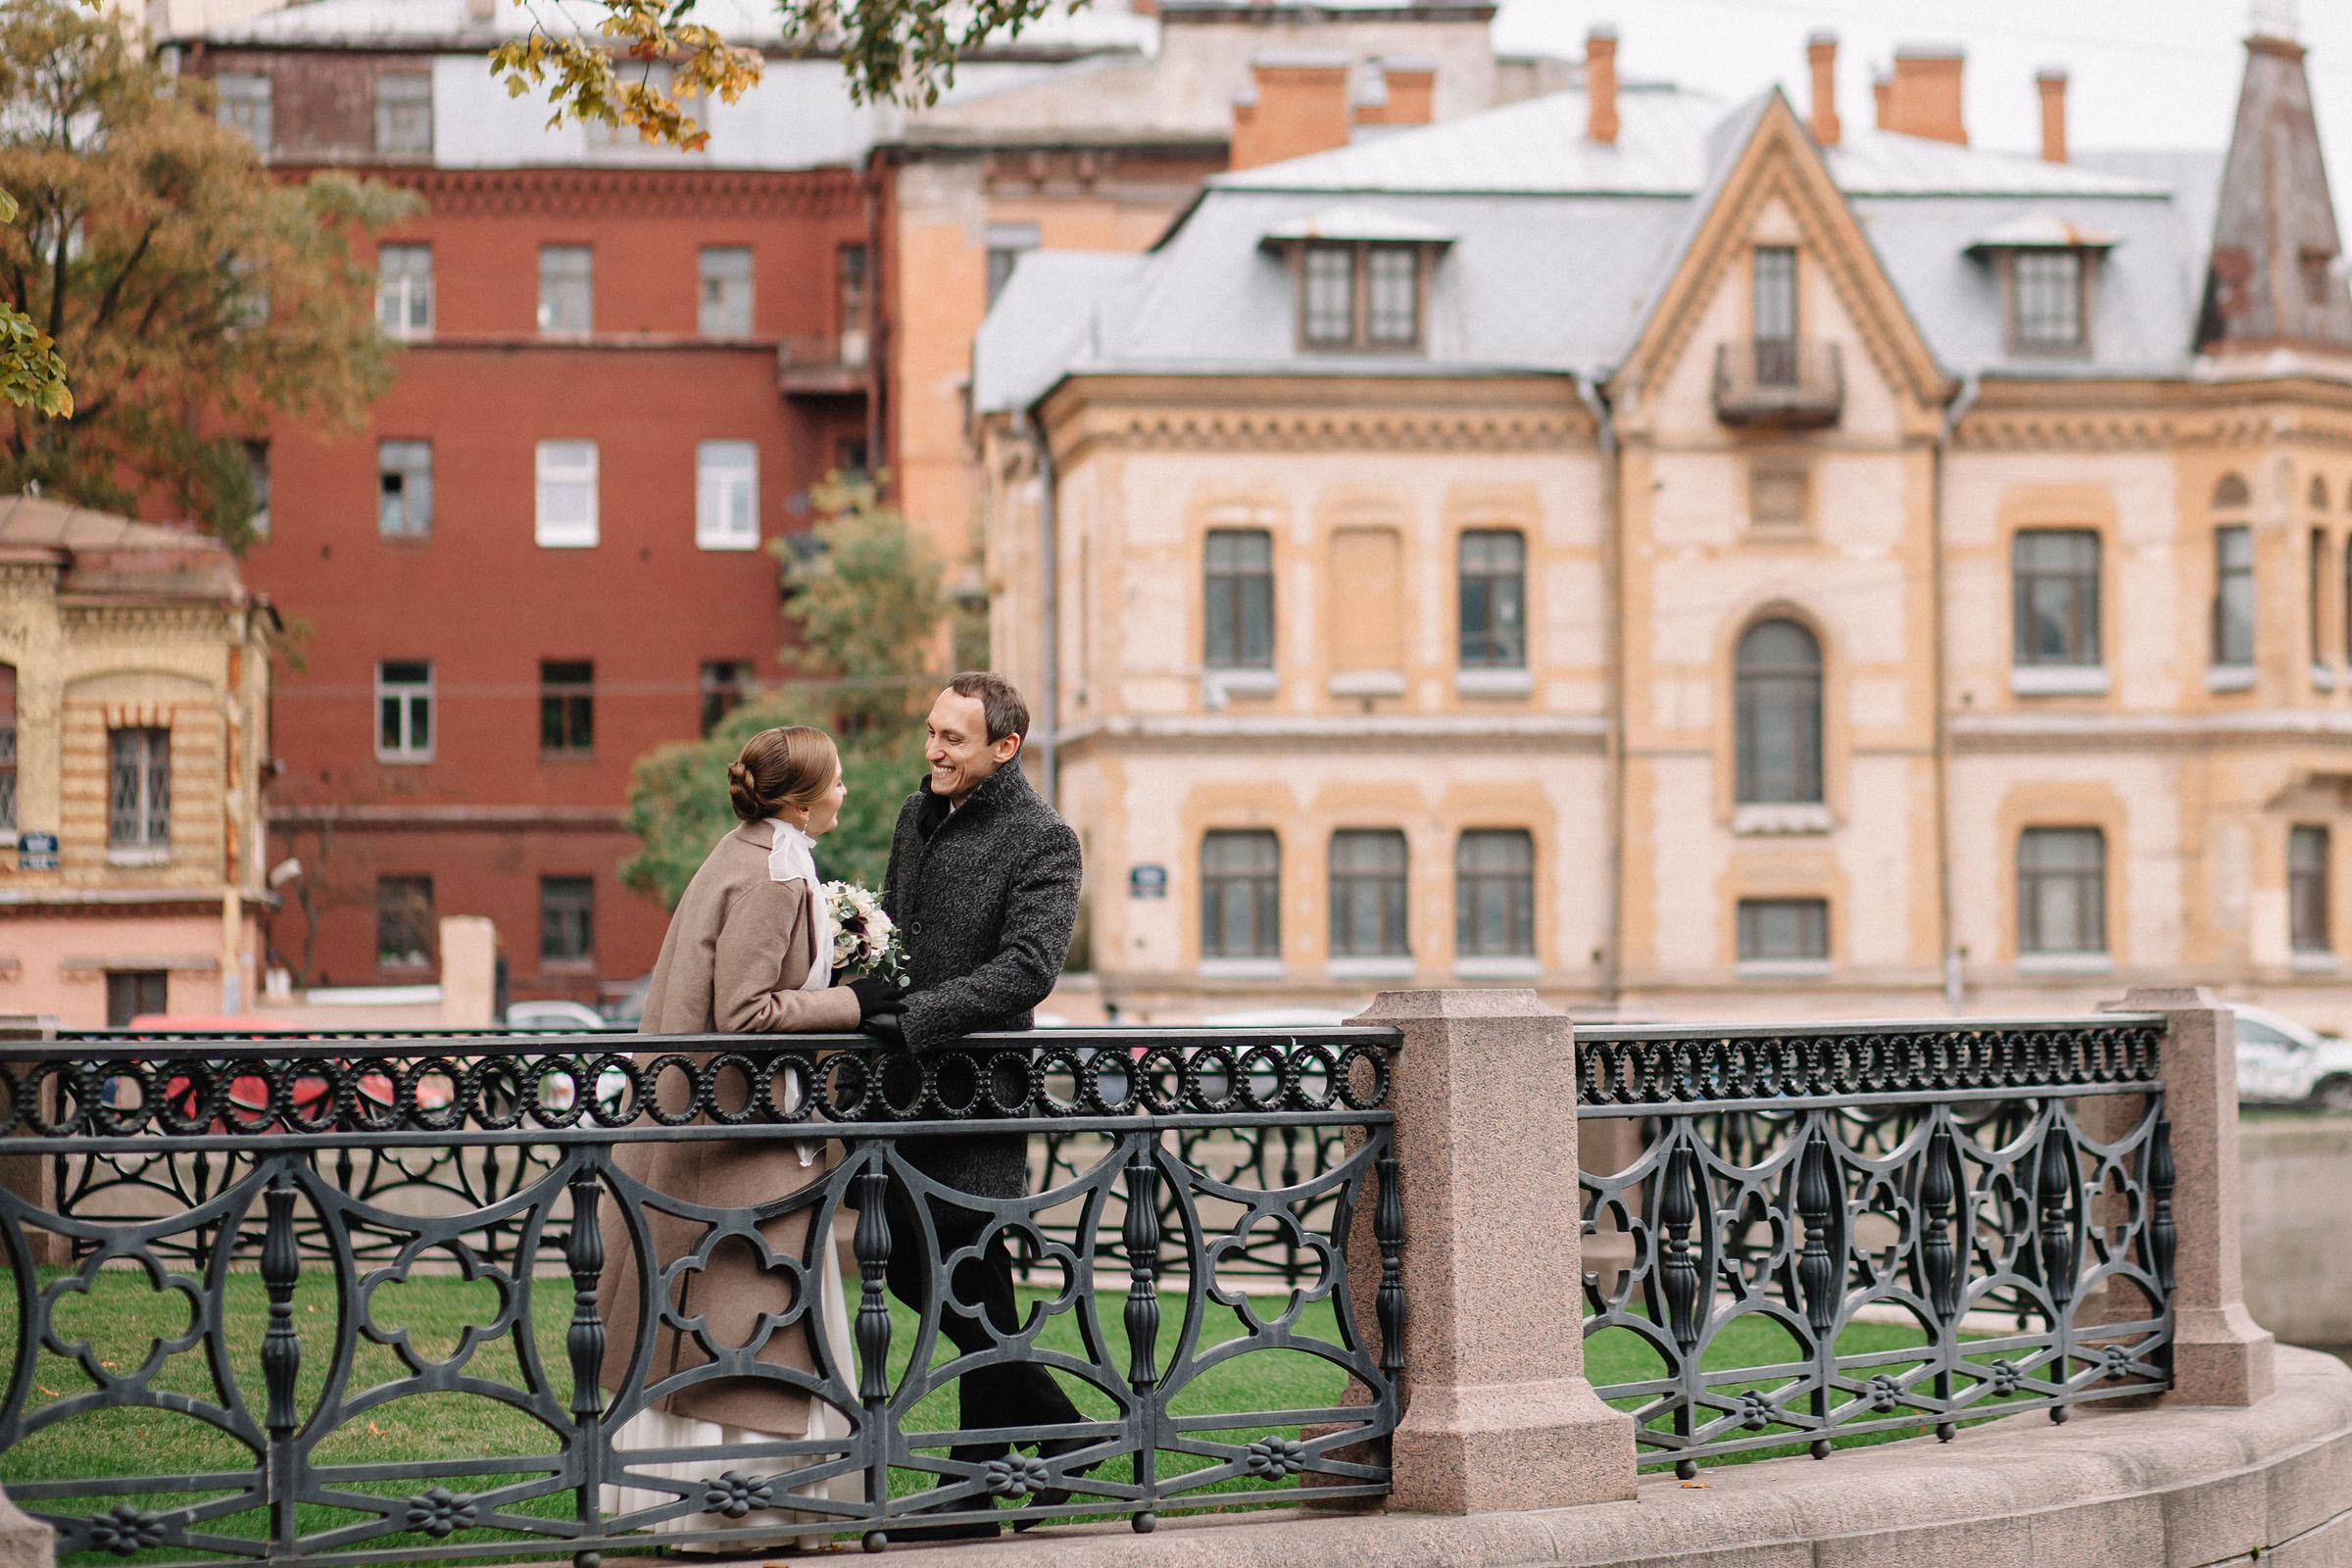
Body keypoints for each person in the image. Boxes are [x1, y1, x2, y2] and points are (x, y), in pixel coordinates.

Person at [594, 725, 863, 1550]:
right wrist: (855, 1006)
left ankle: (705, 1510)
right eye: (839, 781)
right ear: (805, 799)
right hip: (741, 1140)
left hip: (702, 1125)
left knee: (719, 1310)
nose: (846, 792)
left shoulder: (742, 848)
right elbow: (744, 1012)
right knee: (752, 1314)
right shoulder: (778, 871)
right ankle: (742, 1517)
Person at [849, 671, 1091, 1540]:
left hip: (976, 1095)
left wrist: (916, 1017)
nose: (933, 751)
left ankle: (976, 1485)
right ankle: (1063, 1432)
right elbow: (891, 929)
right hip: (898, 1092)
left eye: (952, 739)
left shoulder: (1044, 839)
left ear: (1004, 748)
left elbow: (1030, 968)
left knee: (970, 1276)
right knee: (917, 1269)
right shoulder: (919, 815)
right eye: (931, 732)